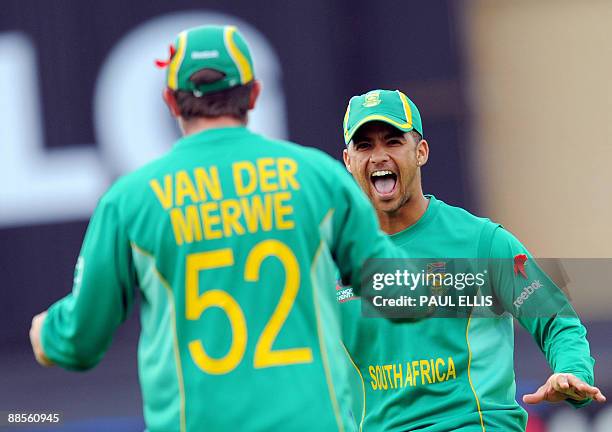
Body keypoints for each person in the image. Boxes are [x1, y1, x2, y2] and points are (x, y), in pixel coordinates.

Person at [28, 27, 408, 432]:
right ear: (255, 94)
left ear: (171, 102)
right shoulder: (318, 177)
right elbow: (401, 291)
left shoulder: (130, 200)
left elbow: (79, 342)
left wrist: (46, 333)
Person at [338, 89, 606, 431]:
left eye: (393, 141)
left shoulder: (481, 241)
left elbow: (555, 319)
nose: (379, 156)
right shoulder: (332, 260)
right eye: (365, 146)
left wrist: (572, 372)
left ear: (420, 151)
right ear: (348, 161)